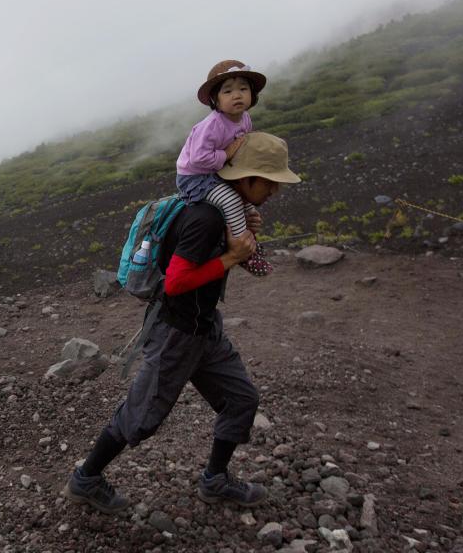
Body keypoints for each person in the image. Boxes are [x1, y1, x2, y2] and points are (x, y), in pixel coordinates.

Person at [64, 132, 301, 514]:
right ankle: (86, 479)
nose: (275, 190)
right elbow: (175, 283)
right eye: (270, 181)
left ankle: (216, 480)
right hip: (175, 332)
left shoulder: (227, 210)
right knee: (140, 417)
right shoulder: (205, 217)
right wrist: (230, 258)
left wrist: (242, 241)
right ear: (245, 178)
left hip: (204, 328)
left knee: (241, 399)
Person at [176, 60, 273, 276]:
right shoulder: (212, 125)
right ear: (215, 100)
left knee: (246, 205)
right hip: (195, 177)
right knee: (230, 200)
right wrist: (227, 154)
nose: (236, 95)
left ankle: (250, 242)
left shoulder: (245, 118)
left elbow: (243, 144)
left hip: (217, 170)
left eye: (243, 89)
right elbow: (198, 159)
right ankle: (242, 252)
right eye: (227, 91)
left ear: (252, 94)